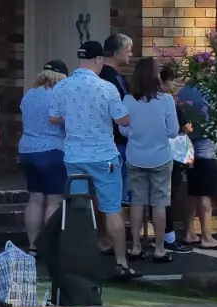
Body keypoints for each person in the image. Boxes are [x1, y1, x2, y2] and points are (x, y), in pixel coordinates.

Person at [53, 40, 137, 280]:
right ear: (99, 60)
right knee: (111, 209)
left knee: (79, 208)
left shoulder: (62, 87)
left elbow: (54, 117)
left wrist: (75, 121)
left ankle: (79, 262)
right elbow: (122, 120)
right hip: (103, 156)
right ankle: (121, 262)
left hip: (75, 156)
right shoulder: (107, 88)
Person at [119, 57, 180, 263]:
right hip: (160, 156)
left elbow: (122, 128)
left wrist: (136, 133)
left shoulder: (128, 100)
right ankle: (160, 249)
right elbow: (173, 131)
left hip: (135, 155)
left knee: (137, 202)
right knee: (160, 202)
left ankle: (135, 247)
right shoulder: (166, 100)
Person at [17, 61, 68, 250]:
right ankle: (49, 246)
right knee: (53, 201)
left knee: (35, 199)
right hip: (53, 151)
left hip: (28, 151)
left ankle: (32, 245)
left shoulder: (28, 95)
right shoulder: (59, 96)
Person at [175, 78, 217, 250]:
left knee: (193, 191)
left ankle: (189, 232)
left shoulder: (184, 91)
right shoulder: (209, 92)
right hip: (207, 146)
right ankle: (206, 236)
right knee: (206, 192)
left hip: (189, 145)